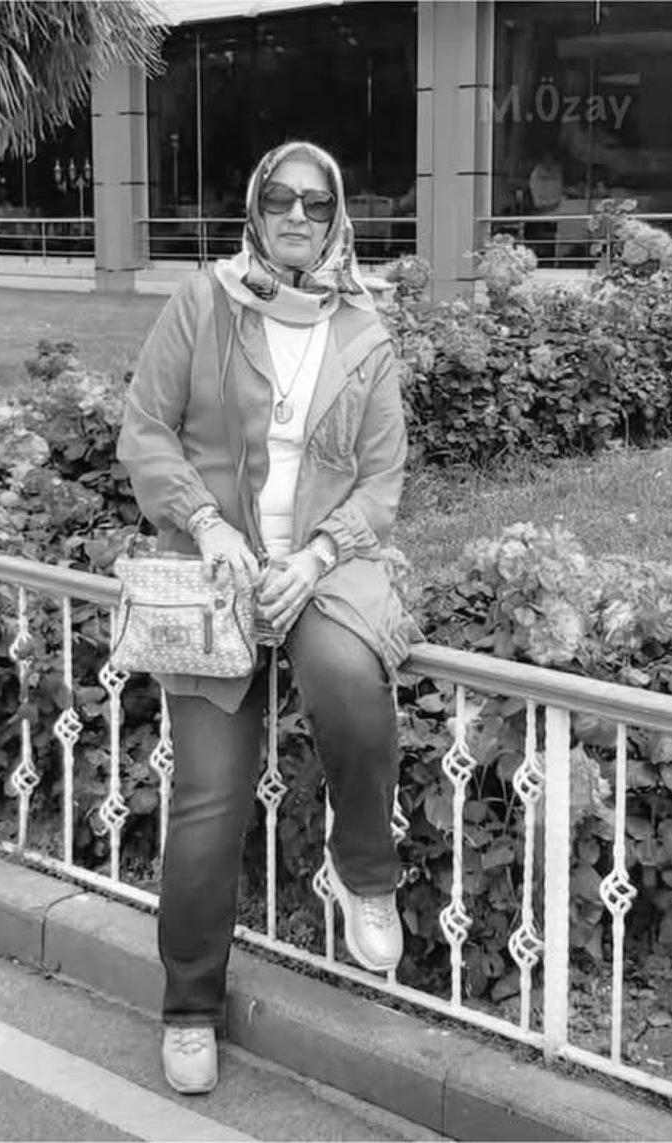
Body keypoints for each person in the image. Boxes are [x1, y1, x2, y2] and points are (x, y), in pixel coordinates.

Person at [116, 140, 418, 1096]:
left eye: (316, 203)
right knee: (210, 797)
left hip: (319, 570)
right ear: (254, 208)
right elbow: (145, 428)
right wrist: (206, 524)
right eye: (280, 198)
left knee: (351, 682)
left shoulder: (364, 331)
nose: (297, 215)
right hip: (217, 574)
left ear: (336, 220)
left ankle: (365, 871)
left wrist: (318, 556)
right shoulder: (201, 304)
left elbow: (381, 480)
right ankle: (188, 1005)